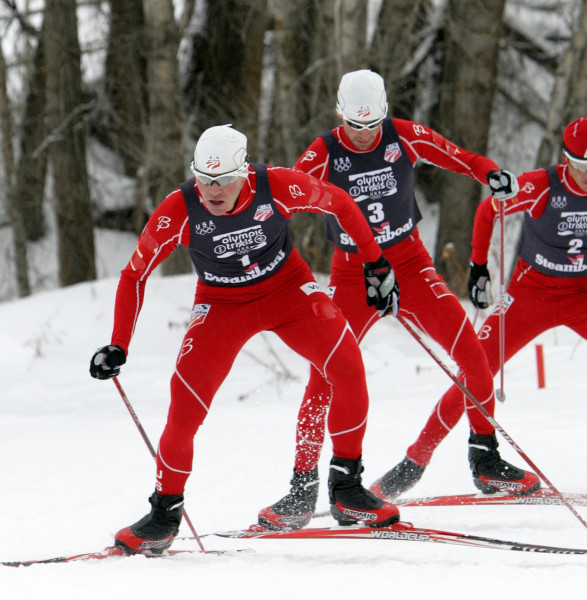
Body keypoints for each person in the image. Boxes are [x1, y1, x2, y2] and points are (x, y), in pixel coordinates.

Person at [89, 124, 402, 555]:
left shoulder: (277, 185)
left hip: (288, 291)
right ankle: (164, 514)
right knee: (183, 404)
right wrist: (118, 343)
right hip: (221, 305)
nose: (212, 191)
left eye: (222, 181)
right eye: (203, 179)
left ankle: (346, 485)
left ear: (244, 174)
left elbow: (341, 203)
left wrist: (377, 264)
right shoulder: (178, 209)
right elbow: (134, 274)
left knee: (347, 367)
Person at [373, 116, 587, 498]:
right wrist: (478, 266)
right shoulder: (540, 185)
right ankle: (414, 462)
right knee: (475, 370)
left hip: (586, 293)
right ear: (565, 159)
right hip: (529, 295)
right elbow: (489, 210)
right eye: (582, 166)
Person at [257, 69, 540, 530]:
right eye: (355, 126)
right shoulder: (323, 151)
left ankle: (486, 460)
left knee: (473, 353)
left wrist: (494, 174)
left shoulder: (403, 136)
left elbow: (459, 157)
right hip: (353, 273)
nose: (365, 136)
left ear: (385, 114)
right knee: (324, 377)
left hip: (409, 261)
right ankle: (303, 487)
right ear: (339, 115)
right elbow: (283, 194)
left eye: (372, 126)